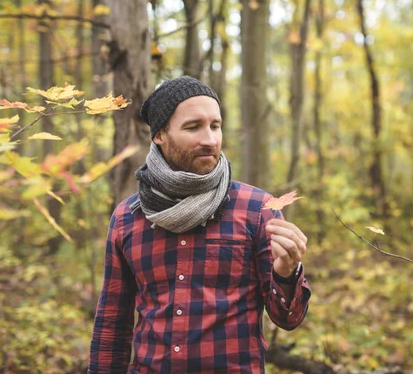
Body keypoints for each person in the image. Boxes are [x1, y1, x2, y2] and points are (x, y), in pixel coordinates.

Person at [88, 76, 311, 373]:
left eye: (215, 126)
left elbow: (289, 319)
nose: (210, 139)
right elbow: (112, 323)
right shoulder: (128, 217)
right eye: (193, 127)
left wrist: (286, 273)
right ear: (160, 135)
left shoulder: (257, 210)